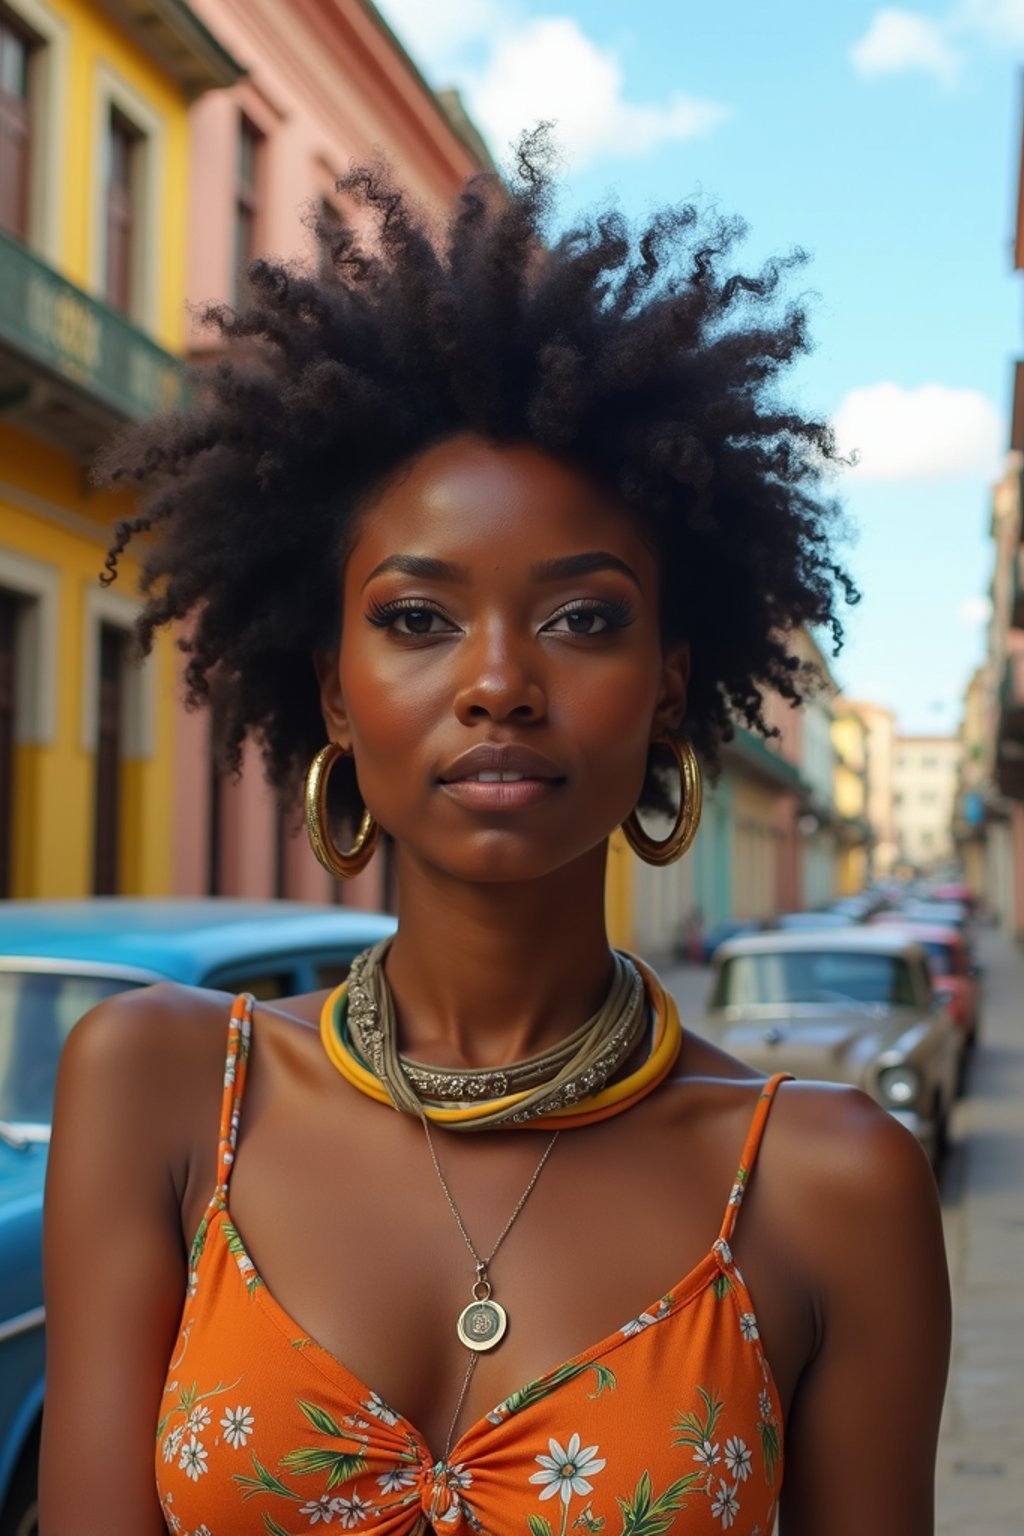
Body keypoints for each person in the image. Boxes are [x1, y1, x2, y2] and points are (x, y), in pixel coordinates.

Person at [41, 133, 950, 1534]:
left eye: (584, 619)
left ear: (668, 690)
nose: (500, 682)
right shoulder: (164, 1094)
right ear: (334, 691)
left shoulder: (830, 1186)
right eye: (417, 618)